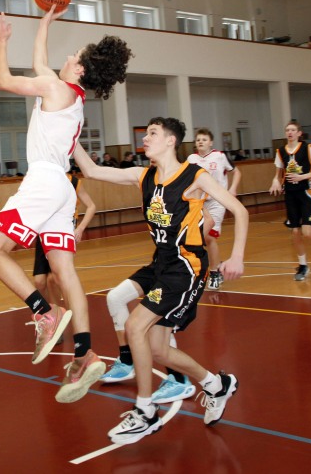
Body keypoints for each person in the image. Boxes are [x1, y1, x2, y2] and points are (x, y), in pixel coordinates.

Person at [0, 6, 132, 403]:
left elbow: (3, 79)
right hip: (63, 188)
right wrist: (44, 23)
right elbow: (39, 62)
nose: (66, 57)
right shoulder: (72, 98)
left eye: (73, 55)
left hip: (44, 181)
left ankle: (44, 312)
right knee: (64, 272)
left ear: (78, 69)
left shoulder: (55, 88)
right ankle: (85, 353)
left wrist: (0, 42)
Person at [73, 117, 248, 445]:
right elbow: (92, 170)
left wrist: (236, 256)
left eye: (152, 133)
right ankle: (216, 385)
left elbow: (240, 211)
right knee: (159, 350)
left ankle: (145, 412)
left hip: (186, 267)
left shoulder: (194, 176)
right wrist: (69, 133)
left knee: (135, 326)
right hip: (160, 264)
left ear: (170, 141)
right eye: (145, 133)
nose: (145, 138)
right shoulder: (144, 176)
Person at [268, 121, 311, 281]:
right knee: (295, 232)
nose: (290, 132)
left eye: (293, 130)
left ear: (299, 133)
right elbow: (278, 174)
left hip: (306, 193)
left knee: (307, 233)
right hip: (290, 195)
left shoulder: (307, 148)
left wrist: (303, 177)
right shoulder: (281, 151)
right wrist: (275, 181)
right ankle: (303, 266)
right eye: (287, 130)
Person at [187, 128, 241, 291]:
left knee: (210, 237)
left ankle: (215, 273)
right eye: (198, 140)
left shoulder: (220, 156)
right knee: (196, 238)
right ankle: (213, 264)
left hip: (217, 201)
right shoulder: (191, 159)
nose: (200, 142)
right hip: (199, 202)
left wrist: (233, 188)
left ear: (211, 142)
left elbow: (236, 172)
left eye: (204, 139)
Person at [33, 171, 96, 307]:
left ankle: (61, 312)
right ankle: (49, 311)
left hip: (64, 232)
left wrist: (80, 228)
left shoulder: (73, 182)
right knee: (39, 281)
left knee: (54, 279)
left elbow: (91, 206)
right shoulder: (42, 179)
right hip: (44, 231)